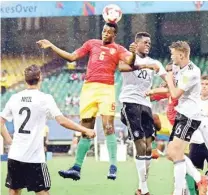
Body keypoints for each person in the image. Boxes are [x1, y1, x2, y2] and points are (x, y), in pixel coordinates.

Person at [37, 22, 137, 180]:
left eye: (108, 32)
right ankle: (76, 168)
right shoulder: (92, 44)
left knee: (108, 126)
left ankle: (113, 166)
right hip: (88, 89)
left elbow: (130, 61)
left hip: (106, 89)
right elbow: (71, 57)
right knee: (86, 129)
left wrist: (134, 54)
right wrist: (51, 46)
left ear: (114, 35)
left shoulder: (118, 49)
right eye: (104, 31)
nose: (105, 34)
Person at [0, 65, 95, 195]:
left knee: (14, 190)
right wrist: (85, 130)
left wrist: (9, 140)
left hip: (15, 155)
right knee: (42, 191)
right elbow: (62, 120)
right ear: (40, 77)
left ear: (25, 79)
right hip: (34, 158)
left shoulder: (14, 98)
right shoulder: (45, 98)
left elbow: (0, 123)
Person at [148, 41, 207, 195]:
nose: (171, 56)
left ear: (181, 55)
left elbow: (174, 94)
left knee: (175, 152)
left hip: (190, 116)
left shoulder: (192, 72)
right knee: (171, 154)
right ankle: (196, 180)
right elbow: (166, 77)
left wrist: (167, 79)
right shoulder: (177, 67)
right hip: (182, 114)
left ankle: (181, 189)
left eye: (173, 53)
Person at [119, 32, 167, 195]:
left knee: (148, 148)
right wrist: (142, 63)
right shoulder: (128, 56)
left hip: (146, 105)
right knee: (139, 144)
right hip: (130, 102)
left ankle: (141, 186)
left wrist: (168, 79)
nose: (148, 45)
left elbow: (167, 79)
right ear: (136, 43)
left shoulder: (156, 62)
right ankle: (145, 189)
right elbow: (122, 67)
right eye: (145, 42)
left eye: (150, 43)